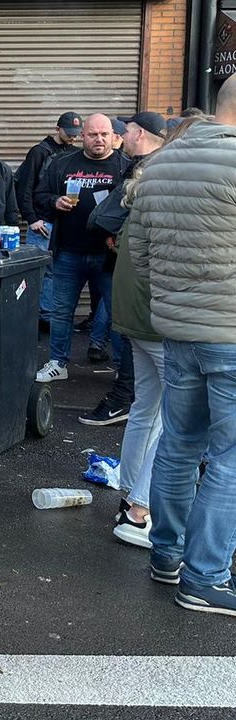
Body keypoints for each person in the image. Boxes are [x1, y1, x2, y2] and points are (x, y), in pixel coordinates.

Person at [132, 78, 236, 617]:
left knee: (179, 444)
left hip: (177, 331)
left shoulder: (160, 165)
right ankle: (206, 576)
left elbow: (141, 258)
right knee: (229, 458)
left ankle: (167, 555)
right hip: (230, 335)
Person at [79, 111, 167, 428]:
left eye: (125, 131)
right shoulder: (141, 167)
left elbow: (101, 218)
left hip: (147, 294)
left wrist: (121, 236)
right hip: (135, 283)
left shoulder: (153, 171)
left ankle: (120, 399)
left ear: (140, 133)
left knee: (162, 400)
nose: (119, 136)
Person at [34, 114, 133, 382]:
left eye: (104, 134)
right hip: (69, 252)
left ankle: (123, 370)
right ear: (83, 136)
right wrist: (55, 201)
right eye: (93, 134)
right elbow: (39, 196)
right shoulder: (63, 163)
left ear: (114, 135)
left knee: (118, 316)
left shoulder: (126, 165)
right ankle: (57, 362)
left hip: (109, 256)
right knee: (61, 312)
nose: (99, 139)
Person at [15, 111, 82, 327]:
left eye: (76, 134)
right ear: (57, 129)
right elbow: (24, 188)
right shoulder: (39, 152)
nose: (73, 137)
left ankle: (48, 317)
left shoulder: (75, 153)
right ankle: (32, 318)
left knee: (56, 273)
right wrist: (32, 219)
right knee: (38, 273)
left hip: (64, 224)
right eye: (69, 133)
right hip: (42, 224)